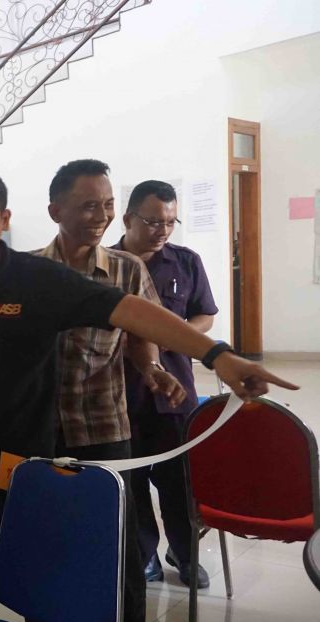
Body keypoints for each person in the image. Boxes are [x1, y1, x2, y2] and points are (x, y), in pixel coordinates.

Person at [0, 168, 295, 622]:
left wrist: (216, 354)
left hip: (22, 463)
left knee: (40, 577)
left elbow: (130, 311)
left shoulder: (36, 278)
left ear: (3, 219)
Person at [113, 181, 217, 588]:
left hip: (176, 391)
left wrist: (178, 333)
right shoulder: (106, 266)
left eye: (171, 222)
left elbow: (205, 315)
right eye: (154, 221)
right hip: (123, 392)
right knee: (133, 479)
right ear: (128, 218)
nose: (162, 231)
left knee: (180, 478)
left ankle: (185, 553)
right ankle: (144, 555)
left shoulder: (185, 262)